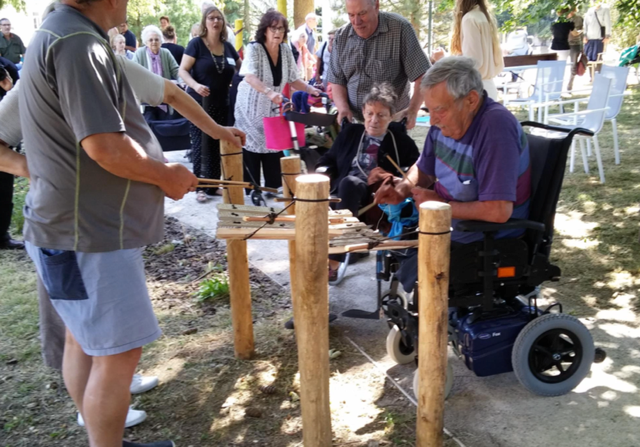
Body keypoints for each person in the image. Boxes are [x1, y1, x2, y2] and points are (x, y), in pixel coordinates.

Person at [19, 0, 200, 445]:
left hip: (71, 228)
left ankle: (106, 440)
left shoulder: (62, 33)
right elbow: (106, 147)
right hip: (89, 234)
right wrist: (167, 176)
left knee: (85, 342)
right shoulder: (77, 41)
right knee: (118, 354)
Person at [375, 57, 530, 292]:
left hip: (487, 242)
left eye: (440, 110)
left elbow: (498, 210)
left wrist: (442, 205)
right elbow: (424, 169)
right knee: (391, 254)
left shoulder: (495, 129)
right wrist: (401, 190)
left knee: (419, 277)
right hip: (447, 228)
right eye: (429, 110)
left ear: (471, 100)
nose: (433, 120)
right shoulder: (446, 125)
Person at [317, 83, 420, 282]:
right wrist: (322, 175)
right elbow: (327, 160)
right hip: (343, 196)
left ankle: (334, 260)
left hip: (378, 198)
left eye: (381, 115)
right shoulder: (350, 133)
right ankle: (343, 243)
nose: (374, 120)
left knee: (349, 183)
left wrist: (391, 178)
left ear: (391, 116)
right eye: (370, 113)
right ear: (363, 112)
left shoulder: (400, 141)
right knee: (345, 185)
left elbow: (416, 170)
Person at [234, 9, 321, 191]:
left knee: (273, 145)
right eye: (273, 28)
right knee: (251, 145)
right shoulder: (254, 48)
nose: (278, 33)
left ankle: (273, 188)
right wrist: (268, 92)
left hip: (271, 107)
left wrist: (310, 88)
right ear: (265, 30)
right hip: (250, 107)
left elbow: (293, 78)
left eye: (281, 29)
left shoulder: (285, 49)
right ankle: (252, 189)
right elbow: (249, 76)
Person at [326, 0, 430, 129]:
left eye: (362, 13)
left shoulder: (400, 29)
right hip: (354, 122)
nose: (356, 22)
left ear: (376, 6)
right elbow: (337, 80)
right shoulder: (342, 37)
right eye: (351, 15)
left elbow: (423, 75)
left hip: (391, 122)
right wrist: (343, 108)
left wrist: (412, 111)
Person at [180, 6, 241, 202]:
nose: (215, 21)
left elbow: (242, 70)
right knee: (201, 144)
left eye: (219, 19)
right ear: (205, 22)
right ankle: (200, 186)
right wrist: (196, 85)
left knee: (217, 143)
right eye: (211, 18)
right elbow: (182, 71)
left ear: (223, 24)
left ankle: (213, 185)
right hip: (199, 103)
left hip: (222, 103)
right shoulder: (196, 44)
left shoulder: (229, 47)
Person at [449, 0, 504, 100]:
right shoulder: (482, 16)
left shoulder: (469, 19)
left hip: (476, 91)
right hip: (488, 88)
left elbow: (473, 62)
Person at [134, 25, 181, 120]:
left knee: (165, 128)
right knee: (149, 125)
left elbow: (176, 71)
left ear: (161, 41)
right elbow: (134, 74)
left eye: (156, 39)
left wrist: (182, 81)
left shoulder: (165, 53)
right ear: (146, 42)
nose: (154, 42)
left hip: (165, 97)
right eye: (150, 40)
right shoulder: (139, 53)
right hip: (146, 100)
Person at [0, 58, 21, 251]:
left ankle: (2, 236)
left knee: (4, 190)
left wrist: (8, 88)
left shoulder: (7, 67)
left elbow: (15, 94)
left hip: (5, 136)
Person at [583, 3, 611, 79]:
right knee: (589, 59)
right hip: (589, 39)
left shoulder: (605, 9)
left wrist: (608, 35)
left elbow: (608, 23)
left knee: (598, 59)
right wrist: (584, 36)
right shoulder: (589, 10)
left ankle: (599, 76)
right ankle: (591, 76)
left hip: (599, 38)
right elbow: (585, 24)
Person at [567, 8, 584, 92]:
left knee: (573, 65)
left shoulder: (578, 19)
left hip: (575, 44)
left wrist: (582, 45)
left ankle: (570, 85)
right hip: (564, 45)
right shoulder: (563, 19)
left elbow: (581, 32)